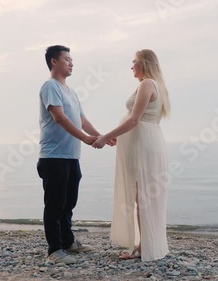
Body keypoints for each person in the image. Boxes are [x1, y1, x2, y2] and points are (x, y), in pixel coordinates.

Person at [92, 49, 171, 261]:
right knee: (144, 196)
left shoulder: (147, 84)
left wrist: (105, 136)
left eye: (134, 62)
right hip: (148, 141)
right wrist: (121, 137)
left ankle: (144, 247)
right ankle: (145, 244)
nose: (131, 66)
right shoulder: (157, 85)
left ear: (144, 63)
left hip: (144, 144)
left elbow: (135, 120)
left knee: (141, 197)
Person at [37, 45, 101, 264]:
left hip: (72, 157)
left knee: (68, 204)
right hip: (53, 157)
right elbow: (59, 118)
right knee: (54, 205)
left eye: (72, 59)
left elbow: (82, 120)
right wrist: (85, 138)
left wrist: (101, 136)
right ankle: (55, 251)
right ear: (54, 61)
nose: (72, 63)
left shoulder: (71, 92)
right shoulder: (50, 86)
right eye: (67, 59)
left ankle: (68, 242)